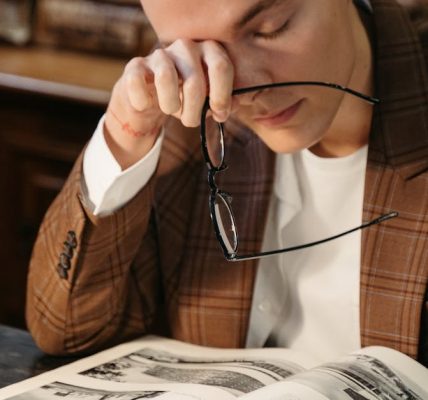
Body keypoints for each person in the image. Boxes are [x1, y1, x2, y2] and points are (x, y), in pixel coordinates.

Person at [26, 0, 428, 367]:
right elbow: (68, 331)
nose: (243, 88)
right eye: (201, 49)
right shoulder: (192, 104)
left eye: (270, 29)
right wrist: (124, 134)